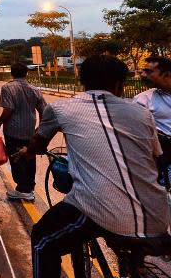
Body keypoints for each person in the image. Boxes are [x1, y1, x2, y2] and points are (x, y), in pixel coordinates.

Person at [13, 55, 171, 278]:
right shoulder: (143, 114)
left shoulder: (62, 109)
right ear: (119, 84)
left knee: (42, 239)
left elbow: (37, 145)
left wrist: (26, 153)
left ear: (81, 81)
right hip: (157, 216)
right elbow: (154, 156)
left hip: (100, 210)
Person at [0, 62, 46, 200]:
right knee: (29, 158)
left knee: (16, 159)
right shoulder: (35, 89)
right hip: (30, 131)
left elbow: (8, 110)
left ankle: (23, 190)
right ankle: (28, 187)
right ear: (26, 73)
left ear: (12, 73)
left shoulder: (8, 88)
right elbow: (44, 110)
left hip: (13, 131)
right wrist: (40, 127)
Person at [134, 55, 171, 184]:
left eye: (148, 71)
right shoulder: (143, 100)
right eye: (142, 71)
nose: (143, 75)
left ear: (167, 74)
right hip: (163, 162)